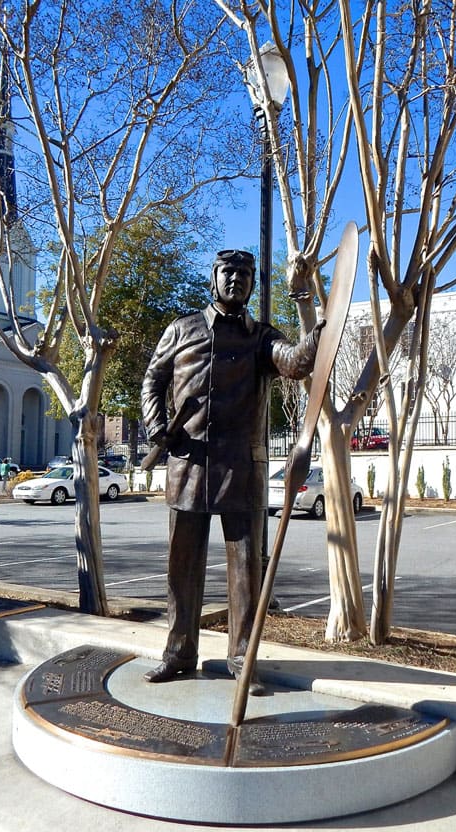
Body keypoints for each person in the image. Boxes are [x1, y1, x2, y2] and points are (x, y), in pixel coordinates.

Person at [141, 249, 324, 694]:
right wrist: (157, 426)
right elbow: (153, 379)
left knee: (246, 569)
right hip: (188, 465)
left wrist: (309, 308)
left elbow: (299, 362)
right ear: (214, 279)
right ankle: (179, 654)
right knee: (181, 568)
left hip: (242, 468)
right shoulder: (181, 329)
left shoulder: (260, 337)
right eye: (229, 273)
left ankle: (242, 661)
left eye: (245, 275)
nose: (237, 280)